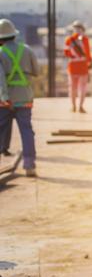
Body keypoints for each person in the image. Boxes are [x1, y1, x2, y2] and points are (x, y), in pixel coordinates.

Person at [0, 18, 40, 177]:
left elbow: (1, 79)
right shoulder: (28, 50)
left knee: (2, 128)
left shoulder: (1, 53)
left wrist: (5, 97)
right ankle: (29, 165)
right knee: (26, 131)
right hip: (25, 97)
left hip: (6, 100)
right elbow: (36, 71)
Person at [64, 20, 92, 113]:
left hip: (72, 67)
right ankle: (80, 106)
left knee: (72, 88)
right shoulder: (85, 39)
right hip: (83, 67)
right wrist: (89, 63)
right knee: (82, 88)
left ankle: (73, 106)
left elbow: (66, 53)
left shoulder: (68, 40)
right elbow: (88, 54)